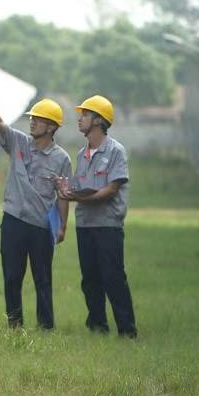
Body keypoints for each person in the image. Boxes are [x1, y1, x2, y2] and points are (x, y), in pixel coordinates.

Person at [0, 93, 71, 330]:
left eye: (38, 119)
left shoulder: (62, 159)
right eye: (32, 118)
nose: (32, 122)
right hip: (13, 222)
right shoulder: (17, 142)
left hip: (41, 227)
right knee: (12, 277)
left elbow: (62, 194)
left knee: (42, 279)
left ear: (51, 127)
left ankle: (45, 327)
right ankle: (15, 325)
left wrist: (62, 225)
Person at [56, 95, 137, 338]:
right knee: (89, 278)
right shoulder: (82, 155)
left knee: (112, 277)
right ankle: (97, 326)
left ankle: (127, 330)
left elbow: (111, 190)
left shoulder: (115, 151)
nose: (80, 120)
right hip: (85, 225)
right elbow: (79, 186)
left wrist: (78, 198)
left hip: (108, 225)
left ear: (99, 120)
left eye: (85, 115)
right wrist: (65, 190)